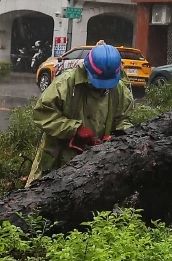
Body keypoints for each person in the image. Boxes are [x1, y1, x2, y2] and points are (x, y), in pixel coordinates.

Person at [27, 41, 134, 184]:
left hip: (99, 164)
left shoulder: (120, 91)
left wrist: (117, 136)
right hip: (58, 160)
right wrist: (75, 129)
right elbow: (42, 114)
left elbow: (124, 119)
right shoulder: (66, 83)